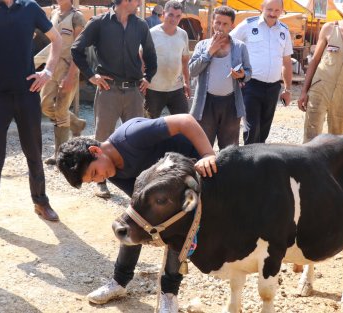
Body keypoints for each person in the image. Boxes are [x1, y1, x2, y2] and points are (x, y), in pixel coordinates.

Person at [57, 114, 217, 312]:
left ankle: (169, 294)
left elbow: (185, 121)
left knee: (177, 231)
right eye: (93, 180)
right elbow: (139, 211)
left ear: (96, 151)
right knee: (133, 223)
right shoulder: (111, 169)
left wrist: (208, 155)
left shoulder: (132, 136)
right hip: (161, 186)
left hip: (188, 173)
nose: (99, 179)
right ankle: (119, 282)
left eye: (94, 173)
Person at [0, 0, 63, 232]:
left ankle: (41, 202)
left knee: (34, 150)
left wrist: (47, 71)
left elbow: (57, 40)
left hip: (27, 92)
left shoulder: (30, 8)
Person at [71, 0, 156, 199]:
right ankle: (101, 182)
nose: (139, 3)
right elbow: (77, 49)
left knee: (138, 138)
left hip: (134, 91)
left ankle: (139, 183)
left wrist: (148, 78)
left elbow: (151, 55)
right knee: (102, 135)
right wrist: (91, 76)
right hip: (108, 90)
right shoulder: (99, 23)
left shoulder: (141, 25)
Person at [298, 0, 343, 142]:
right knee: (310, 136)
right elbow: (314, 61)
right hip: (319, 89)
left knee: (337, 138)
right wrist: (303, 91)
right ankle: (308, 164)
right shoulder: (330, 28)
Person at [229, 0, 292, 145]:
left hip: (273, 87)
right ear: (261, 8)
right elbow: (229, 43)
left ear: (282, 11)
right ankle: (249, 163)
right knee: (252, 128)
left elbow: (287, 62)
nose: (272, 14)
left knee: (264, 129)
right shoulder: (248, 25)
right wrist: (237, 67)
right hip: (250, 85)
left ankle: (258, 163)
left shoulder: (284, 30)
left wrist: (287, 89)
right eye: (269, 9)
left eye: (277, 10)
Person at [189, 6, 251, 150]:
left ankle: (227, 173)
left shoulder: (240, 47)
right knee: (202, 147)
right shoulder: (202, 45)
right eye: (217, 23)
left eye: (225, 24)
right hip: (205, 103)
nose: (220, 27)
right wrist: (209, 52)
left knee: (229, 150)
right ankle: (204, 173)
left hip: (231, 103)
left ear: (232, 26)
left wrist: (242, 75)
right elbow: (192, 70)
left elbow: (248, 72)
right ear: (212, 22)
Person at [40, 0, 87, 165]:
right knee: (45, 105)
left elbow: (80, 49)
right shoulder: (54, 14)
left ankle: (60, 154)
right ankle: (76, 123)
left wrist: (70, 75)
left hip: (69, 69)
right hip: (52, 67)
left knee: (61, 111)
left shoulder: (77, 17)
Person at [145, 0, 191, 119]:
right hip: (153, 89)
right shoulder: (152, 33)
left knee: (184, 123)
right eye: (170, 14)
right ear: (164, 13)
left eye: (178, 16)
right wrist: (143, 81)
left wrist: (186, 82)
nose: (174, 19)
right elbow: (141, 58)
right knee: (149, 125)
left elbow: (185, 61)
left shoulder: (183, 35)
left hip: (176, 88)